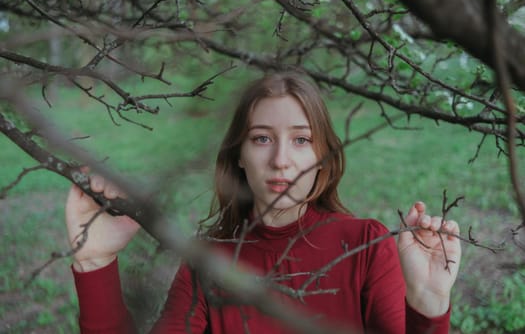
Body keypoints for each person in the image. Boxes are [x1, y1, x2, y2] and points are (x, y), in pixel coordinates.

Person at [66, 72, 461, 333]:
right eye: (262, 138)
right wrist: (94, 262)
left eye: (302, 140)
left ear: (324, 156)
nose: (281, 160)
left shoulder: (365, 245)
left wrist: (428, 305)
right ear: (239, 154)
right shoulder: (208, 262)